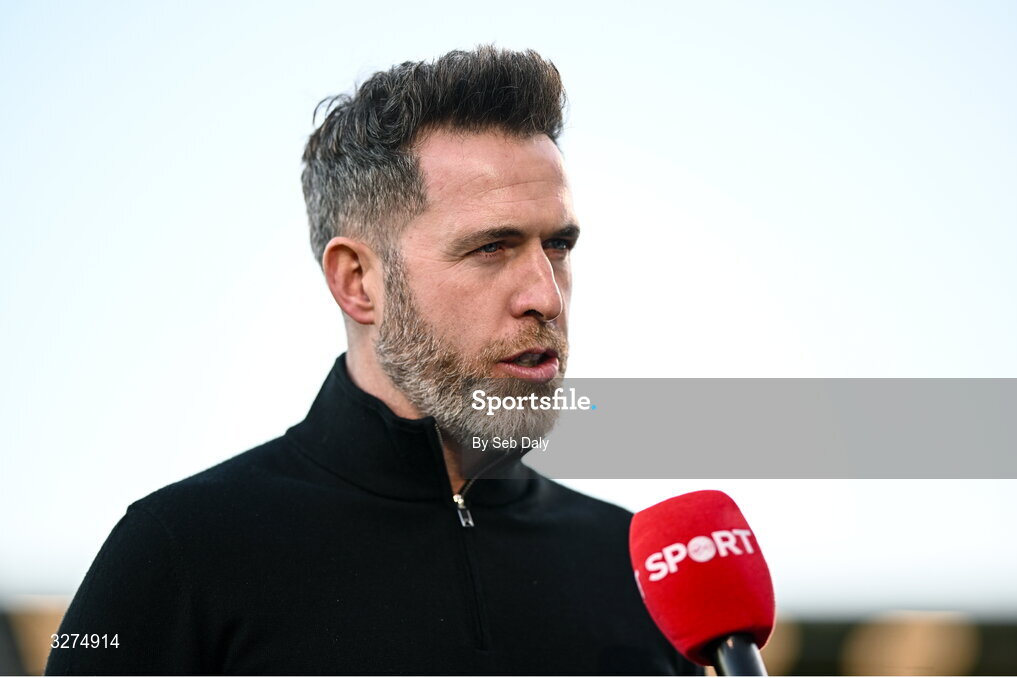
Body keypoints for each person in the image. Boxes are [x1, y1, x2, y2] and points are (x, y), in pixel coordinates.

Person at [45, 47, 700, 675]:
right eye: (491, 248)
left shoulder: (639, 571)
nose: (544, 297)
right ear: (357, 281)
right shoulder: (178, 554)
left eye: (556, 246)